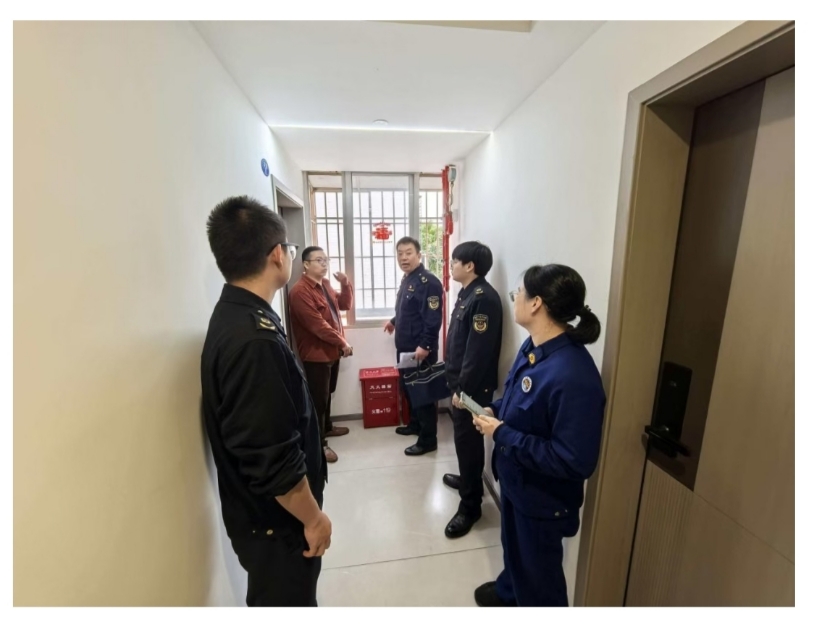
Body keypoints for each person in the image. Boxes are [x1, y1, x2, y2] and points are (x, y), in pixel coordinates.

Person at [200, 196, 331, 607]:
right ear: (277, 254)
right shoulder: (254, 340)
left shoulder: (239, 314)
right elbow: (274, 460)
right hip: (279, 525)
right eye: (291, 249)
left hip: (266, 519)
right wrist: (314, 518)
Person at [470, 264, 606, 607]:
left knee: (540, 583)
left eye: (519, 293)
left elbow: (573, 461)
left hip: (543, 500)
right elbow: (519, 402)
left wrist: (502, 434)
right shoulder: (534, 348)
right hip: (517, 482)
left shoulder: (574, 375)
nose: (515, 298)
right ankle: (509, 592)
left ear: (536, 303)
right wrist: (494, 411)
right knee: (514, 551)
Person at [442, 241, 503, 539]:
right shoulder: (467, 294)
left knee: (468, 443)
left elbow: (477, 352)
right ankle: (470, 481)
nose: (451, 265)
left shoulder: (484, 299)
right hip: (460, 384)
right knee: (464, 442)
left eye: (455, 261)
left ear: (470, 266)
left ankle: (470, 506)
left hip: (472, 390)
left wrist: (462, 390)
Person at [289, 246, 354, 464]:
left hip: (331, 352)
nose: (324, 263)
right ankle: (319, 446)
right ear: (306, 264)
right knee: (317, 401)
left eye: (326, 259)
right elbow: (318, 326)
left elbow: (344, 304)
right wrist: (343, 342)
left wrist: (345, 283)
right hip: (316, 356)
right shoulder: (299, 292)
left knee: (327, 394)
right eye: (319, 260)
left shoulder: (324, 284)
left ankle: (327, 427)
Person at [384, 236, 444, 456]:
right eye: (400, 253)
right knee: (410, 389)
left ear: (419, 255)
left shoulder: (429, 282)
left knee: (423, 393)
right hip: (406, 347)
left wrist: (425, 345)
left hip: (420, 350)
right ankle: (415, 424)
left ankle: (428, 440)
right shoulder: (408, 279)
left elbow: (432, 318)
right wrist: (394, 321)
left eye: (408, 253)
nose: (403, 258)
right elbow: (408, 309)